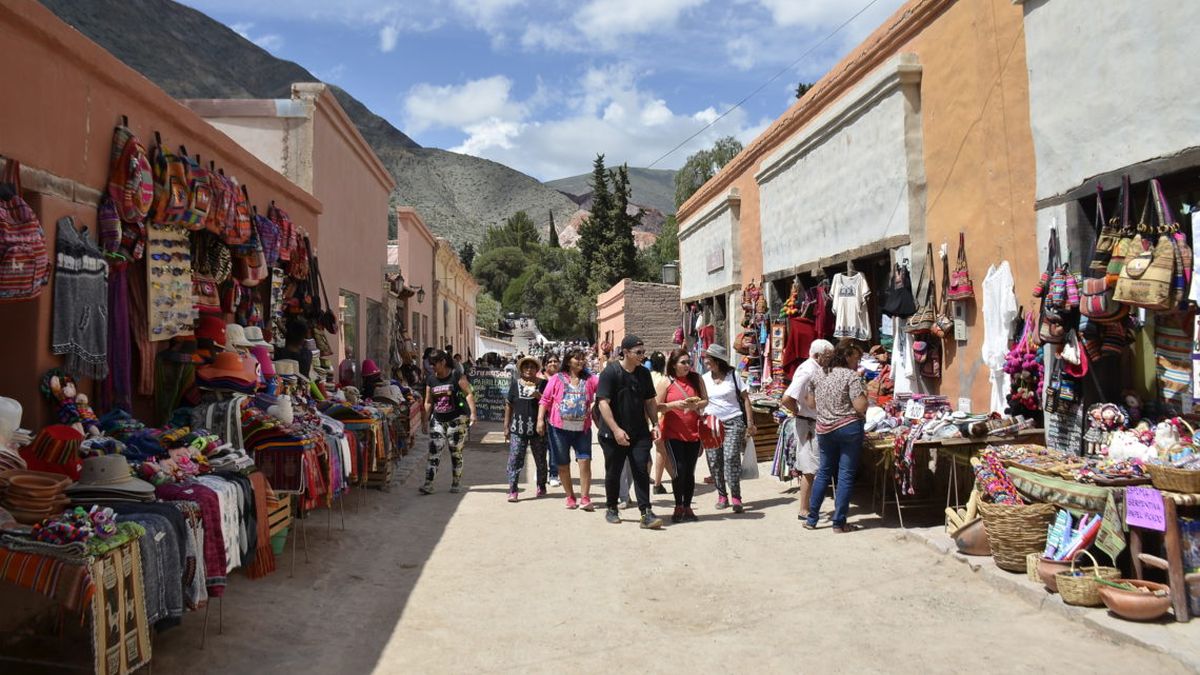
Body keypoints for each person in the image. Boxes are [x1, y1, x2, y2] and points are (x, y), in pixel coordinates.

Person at [596, 336, 663, 529]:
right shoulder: (610, 372)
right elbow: (603, 403)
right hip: (612, 433)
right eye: (638, 352)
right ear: (625, 352)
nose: (642, 356)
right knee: (614, 472)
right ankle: (611, 508)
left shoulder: (643, 373)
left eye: (643, 352)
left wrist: (655, 424)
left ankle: (646, 512)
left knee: (641, 470)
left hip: (639, 432)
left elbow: (650, 401)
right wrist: (616, 430)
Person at [803, 339, 868, 533]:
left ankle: (812, 519)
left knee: (823, 472)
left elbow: (811, 403)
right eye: (856, 358)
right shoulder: (851, 376)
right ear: (847, 356)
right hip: (849, 429)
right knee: (845, 475)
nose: (857, 363)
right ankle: (839, 523)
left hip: (824, 429)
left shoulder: (818, 375)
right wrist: (865, 397)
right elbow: (860, 406)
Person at [538, 349, 598, 510]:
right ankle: (570, 496)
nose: (581, 361)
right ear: (568, 361)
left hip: (582, 429)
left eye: (582, 358)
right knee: (563, 464)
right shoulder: (557, 379)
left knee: (585, 461)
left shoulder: (590, 379)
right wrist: (540, 420)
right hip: (559, 429)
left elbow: (604, 391)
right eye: (577, 359)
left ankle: (585, 497)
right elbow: (545, 400)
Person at [780, 339, 835, 519]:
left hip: (813, 421)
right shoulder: (808, 371)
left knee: (814, 466)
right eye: (828, 356)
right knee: (811, 468)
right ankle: (805, 509)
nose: (830, 359)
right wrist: (798, 412)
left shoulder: (816, 369)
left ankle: (809, 507)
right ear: (818, 355)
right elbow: (787, 398)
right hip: (809, 424)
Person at [701, 344, 756, 513]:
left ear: (717, 360)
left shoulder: (733, 376)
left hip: (733, 422)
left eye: (708, 358)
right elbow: (701, 401)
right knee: (714, 461)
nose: (705, 361)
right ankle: (722, 495)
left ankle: (736, 497)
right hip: (711, 425)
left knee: (731, 457)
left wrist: (750, 422)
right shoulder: (703, 379)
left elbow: (745, 399)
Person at [656, 348, 707, 523]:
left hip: (694, 433)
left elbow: (706, 400)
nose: (687, 365)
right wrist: (674, 405)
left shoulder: (696, 379)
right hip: (673, 433)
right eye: (683, 362)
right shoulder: (666, 382)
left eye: (688, 362)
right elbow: (656, 406)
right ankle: (678, 506)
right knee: (679, 470)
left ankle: (687, 507)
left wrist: (696, 405)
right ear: (673, 364)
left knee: (690, 471)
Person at [420, 350, 477, 495]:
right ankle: (428, 484)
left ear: (443, 362)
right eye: (430, 364)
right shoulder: (431, 379)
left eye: (434, 364)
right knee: (434, 451)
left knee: (455, 451)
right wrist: (425, 421)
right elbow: (428, 401)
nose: (431, 367)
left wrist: (473, 413)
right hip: (438, 420)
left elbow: (468, 393)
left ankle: (456, 482)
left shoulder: (456, 375)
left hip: (456, 420)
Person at [504, 356, 547, 502]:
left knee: (540, 459)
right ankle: (513, 490)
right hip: (518, 428)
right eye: (526, 367)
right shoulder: (515, 384)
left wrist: (538, 396)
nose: (529, 369)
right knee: (515, 459)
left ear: (537, 369)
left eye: (532, 367)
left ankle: (541, 485)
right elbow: (509, 405)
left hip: (538, 429)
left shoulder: (543, 384)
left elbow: (549, 403)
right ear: (521, 369)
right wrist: (506, 426)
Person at [647, 351, 673, 495]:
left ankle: (675, 478)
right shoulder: (666, 380)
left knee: (660, 451)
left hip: (645, 419)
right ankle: (657, 484)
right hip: (659, 419)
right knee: (662, 451)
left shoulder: (646, 376)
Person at [541, 353, 562, 486]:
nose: (553, 363)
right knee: (540, 446)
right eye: (550, 361)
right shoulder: (539, 378)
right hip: (540, 416)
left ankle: (553, 473)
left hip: (556, 417)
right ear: (545, 364)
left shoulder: (562, 378)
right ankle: (541, 470)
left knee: (554, 446)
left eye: (555, 361)